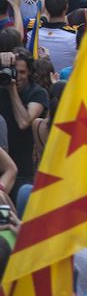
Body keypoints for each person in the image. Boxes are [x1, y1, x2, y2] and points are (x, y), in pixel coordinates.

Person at [0, 49, 48, 194]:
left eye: (22, 72)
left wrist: (11, 89)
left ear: (29, 73)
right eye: (15, 71)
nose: (18, 77)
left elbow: (23, 122)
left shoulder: (37, 93)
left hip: (23, 172)